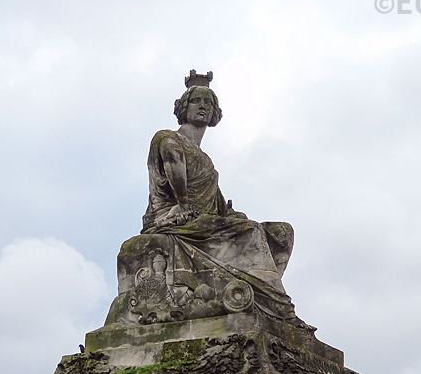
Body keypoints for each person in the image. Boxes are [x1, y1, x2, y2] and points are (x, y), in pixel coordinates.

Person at [114, 73, 306, 327]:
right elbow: (173, 162)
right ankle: (277, 306)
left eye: (209, 103)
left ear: (215, 113)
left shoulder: (206, 161)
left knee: (281, 233)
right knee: (250, 233)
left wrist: (230, 213)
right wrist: (183, 203)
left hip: (203, 222)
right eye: (197, 101)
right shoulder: (166, 138)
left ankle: (263, 301)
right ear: (184, 107)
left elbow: (216, 204)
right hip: (174, 220)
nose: (203, 106)